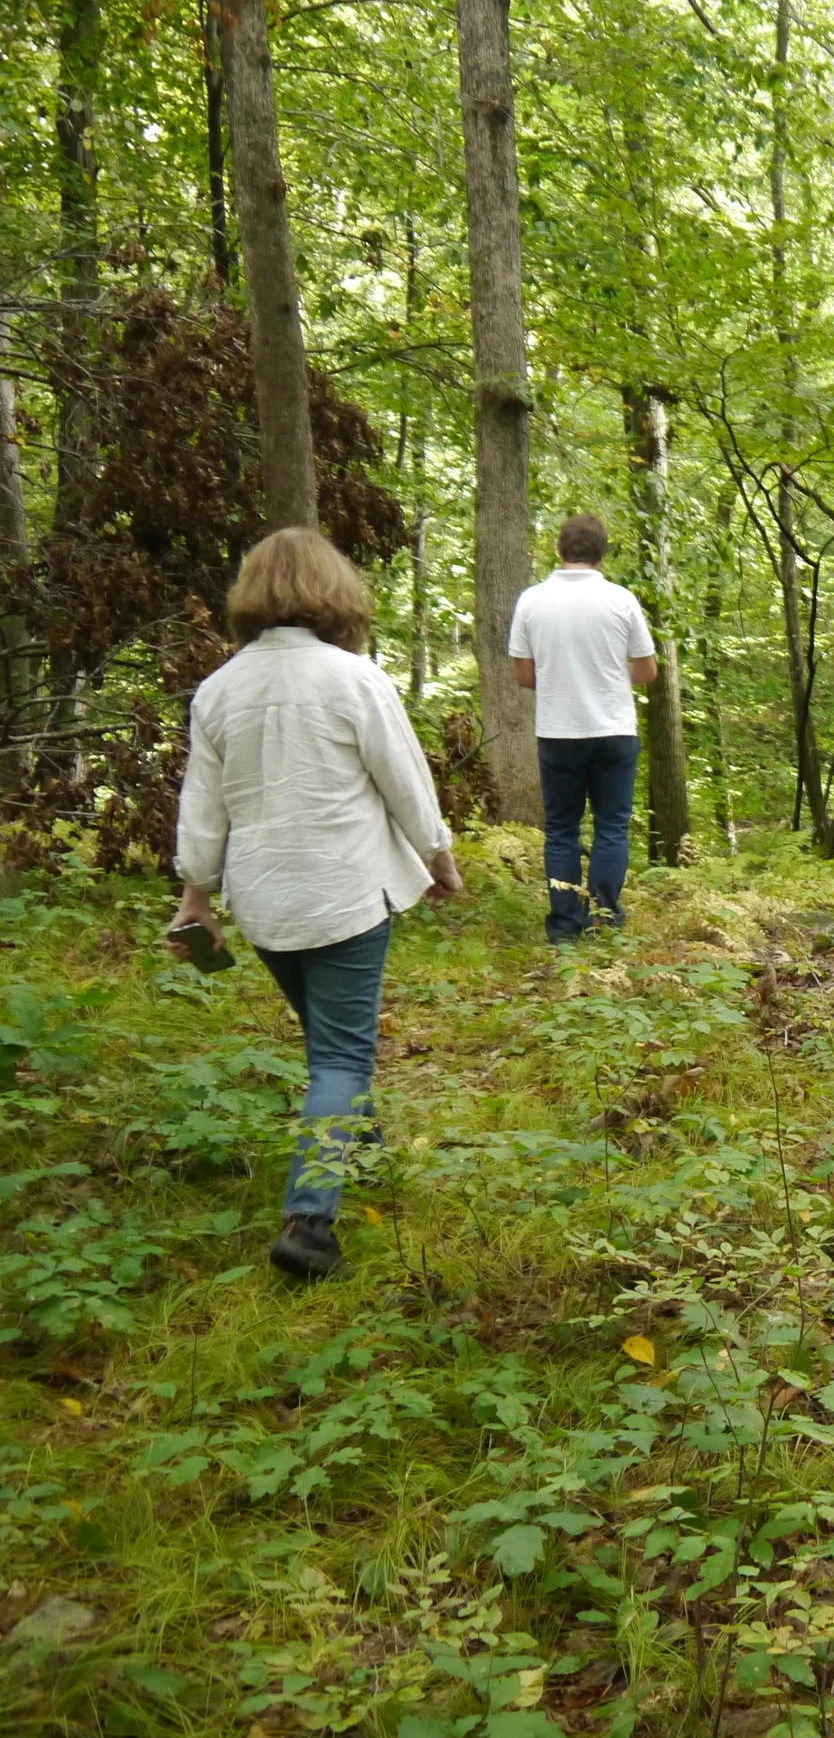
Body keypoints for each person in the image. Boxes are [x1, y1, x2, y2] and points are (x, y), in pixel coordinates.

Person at [171, 528, 465, 1280]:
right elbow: (405, 780)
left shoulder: (219, 689)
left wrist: (196, 893)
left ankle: (363, 1158)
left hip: (265, 899)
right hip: (345, 892)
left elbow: (202, 811)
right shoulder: (353, 678)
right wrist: (437, 855)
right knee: (340, 1052)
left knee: (331, 1043)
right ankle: (309, 1220)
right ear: (336, 593)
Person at [509, 512, 656, 940]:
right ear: (602, 553)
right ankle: (604, 919)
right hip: (614, 729)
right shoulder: (622, 599)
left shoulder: (531, 600)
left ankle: (565, 927)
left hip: (558, 730)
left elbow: (523, 676)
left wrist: (562, 678)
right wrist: (607, 674)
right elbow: (647, 671)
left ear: (559, 549)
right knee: (612, 826)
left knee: (561, 831)